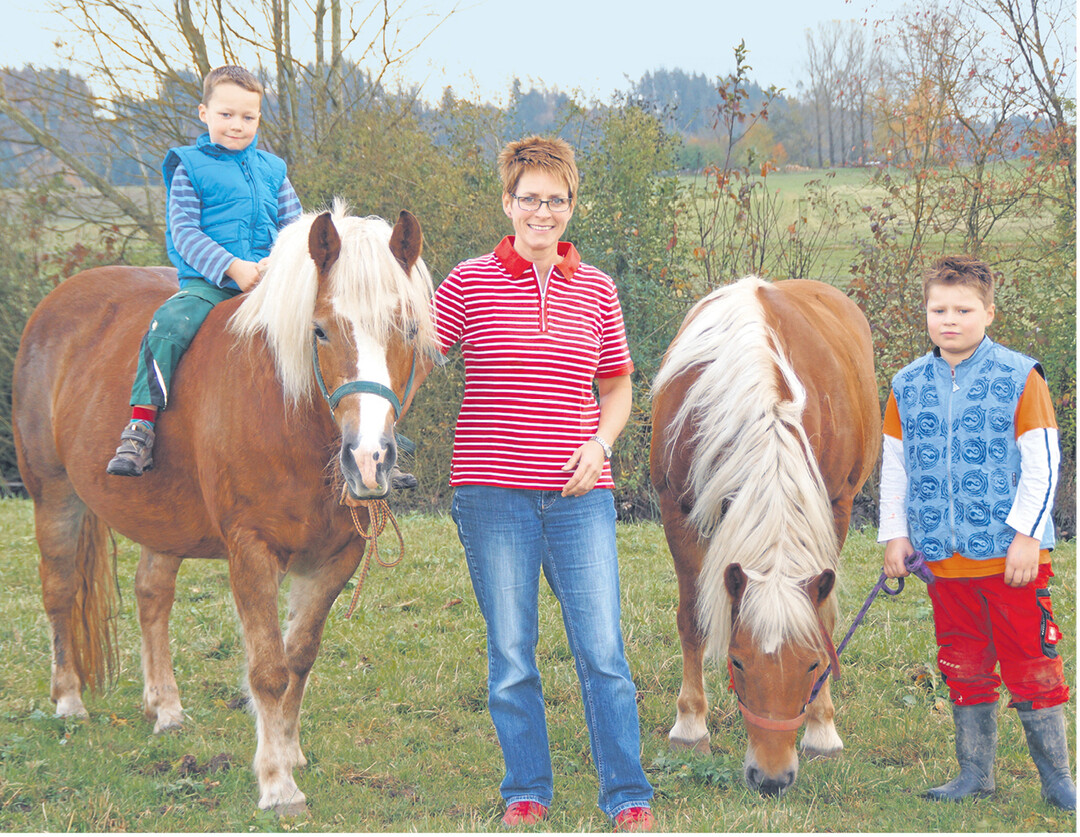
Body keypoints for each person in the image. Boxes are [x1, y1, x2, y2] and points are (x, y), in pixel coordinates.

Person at [431, 136, 654, 831]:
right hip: (491, 494)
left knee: (603, 652)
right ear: (508, 203)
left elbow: (616, 387)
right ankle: (526, 789)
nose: (542, 212)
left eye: (556, 200)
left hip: (579, 496)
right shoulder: (465, 282)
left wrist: (600, 443)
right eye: (530, 199)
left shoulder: (597, 289)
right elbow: (413, 355)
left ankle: (628, 795)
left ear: (571, 206)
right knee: (511, 653)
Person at [878, 255, 1074, 810]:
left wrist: (1027, 536)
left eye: (963, 310)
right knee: (962, 660)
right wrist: (895, 534)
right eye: (938, 309)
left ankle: (1058, 780)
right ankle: (974, 774)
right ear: (925, 312)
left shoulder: (1020, 376)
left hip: (1010, 558)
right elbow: (896, 466)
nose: (950, 320)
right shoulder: (907, 385)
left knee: (1031, 661)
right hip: (942, 559)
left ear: (988, 312)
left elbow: (1043, 463)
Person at [106, 65, 302, 476]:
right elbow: (185, 232)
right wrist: (232, 267)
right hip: (209, 283)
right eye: (226, 115)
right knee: (168, 323)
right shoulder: (189, 167)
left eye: (247, 117)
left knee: (332, 326)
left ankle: (367, 436)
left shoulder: (273, 169)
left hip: (271, 282)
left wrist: (280, 260)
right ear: (204, 113)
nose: (237, 125)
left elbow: (295, 227)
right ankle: (141, 425)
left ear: (259, 119)